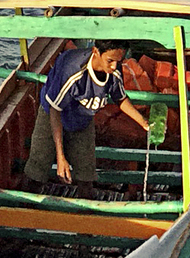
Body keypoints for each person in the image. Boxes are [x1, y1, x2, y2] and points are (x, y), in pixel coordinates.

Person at [23, 40, 145, 190]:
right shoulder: (72, 72)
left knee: (86, 174)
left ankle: (85, 209)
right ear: (96, 52)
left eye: (118, 61)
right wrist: (61, 157)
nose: (114, 66)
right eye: (110, 61)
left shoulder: (115, 71)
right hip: (53, 115)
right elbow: (55, 110)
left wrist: (144, 122)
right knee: (38, 168)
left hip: (82, 118)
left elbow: (120, 98)